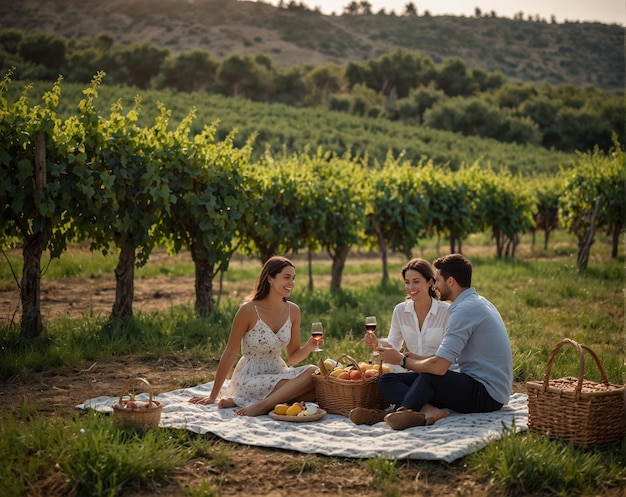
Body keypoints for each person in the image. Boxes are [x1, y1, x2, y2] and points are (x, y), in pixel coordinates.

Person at [353, 253, 513, 430]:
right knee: (387, 380)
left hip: (487, 394)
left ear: (450, 281)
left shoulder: (463, 310)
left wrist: (403, 360)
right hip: (476, 385)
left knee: (431, 375)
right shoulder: (476, 302)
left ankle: (390, 414)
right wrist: (413, 359)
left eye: (437, 280)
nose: (435, 286)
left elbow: (439, 367)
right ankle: (428, 412)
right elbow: (438, 362)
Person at [189, 256, 320, 416]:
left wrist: (309, 347)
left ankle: (245, 401)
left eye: (293, 278)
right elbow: (230, 354)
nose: (291, 283)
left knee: (317, 378)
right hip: (250, 377)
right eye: (286, 277)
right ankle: (261, 406)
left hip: (278, 373)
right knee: (312, 375)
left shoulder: (293, 311)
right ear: (270, 279)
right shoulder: (248, 311)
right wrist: (213, 396)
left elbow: (293, 358)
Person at [362, 258, 450, 370]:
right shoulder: (400, 311)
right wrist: (376, 345)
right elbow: (393, 345)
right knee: (385, 378)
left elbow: (450, 357)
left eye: (416, 281)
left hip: (438, 372)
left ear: (430, 282)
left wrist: (416, 361)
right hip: (412, 370)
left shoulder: (446, 312)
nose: (410, 287)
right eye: (407, 282)